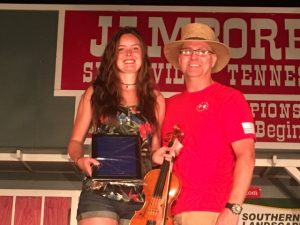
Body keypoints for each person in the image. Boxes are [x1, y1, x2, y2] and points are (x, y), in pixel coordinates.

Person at [152, 23, 256, 225]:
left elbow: (247, 155)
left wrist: (233, 209)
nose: (194, 57)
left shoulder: (230, 98)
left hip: (209, 211)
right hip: (166, 213)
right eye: (187, 51)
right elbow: (157, 155)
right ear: (179, 59)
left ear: (213, 59)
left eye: (202, 51)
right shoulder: (167, 104)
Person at [68, 26, 165, 225]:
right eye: (121, 49)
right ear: (113, 56)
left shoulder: (156, 99)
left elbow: (155, 150)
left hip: (141, 198)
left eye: (135, 48)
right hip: (99, 192)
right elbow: (75, 142)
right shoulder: (95, 92)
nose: (129, 54)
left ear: (143, 55)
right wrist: (80, 160)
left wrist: (160, 155)